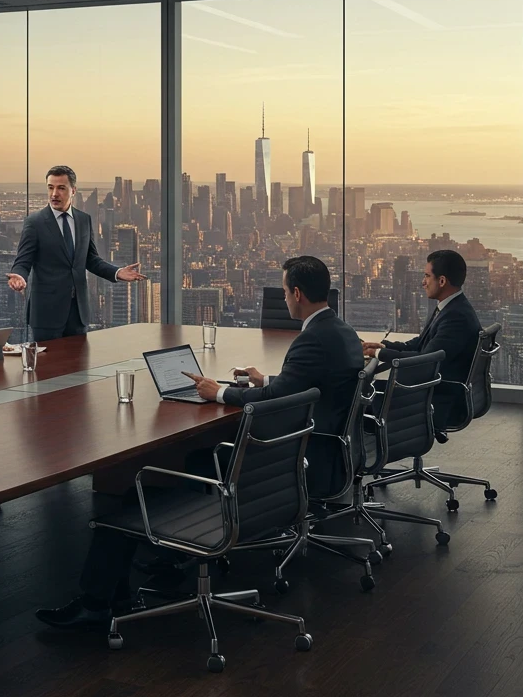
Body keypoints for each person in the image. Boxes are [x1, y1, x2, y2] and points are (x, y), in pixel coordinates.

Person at [36, 256, 364, 631]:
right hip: (309, 466)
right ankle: (176, 558)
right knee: (197, 459)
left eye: (286, 290)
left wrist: (219, 391)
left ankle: (97, 604)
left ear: (297, 293)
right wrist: (266, 381)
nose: (286, 298)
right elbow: (301, 388)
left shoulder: (310, 340)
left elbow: (278, 401)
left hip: (289, 470)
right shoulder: (342, 331)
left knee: (135, 495)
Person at [8, 165, 145, 340]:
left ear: (73, 190)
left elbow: (91, 259)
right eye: (50, 187)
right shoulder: (34, 222)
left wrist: (117, 272)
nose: (54, 194)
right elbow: (23, 261)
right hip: (46, 314)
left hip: (78, 314)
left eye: (61, 188)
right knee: (48, 367)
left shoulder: (83, 220)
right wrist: (18, 275)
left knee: (79, 366)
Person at [362, 249, 481, 430]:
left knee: (360, 399)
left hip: (440, 399)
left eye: (427, 276)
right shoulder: (451, 306)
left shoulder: (456, 316)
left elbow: (424, 361)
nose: (423, 282)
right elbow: (420, 344)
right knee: (369, 391)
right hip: (435, 388)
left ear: (441, 281)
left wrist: (378, 353)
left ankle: (364, 453)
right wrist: (383, 345)